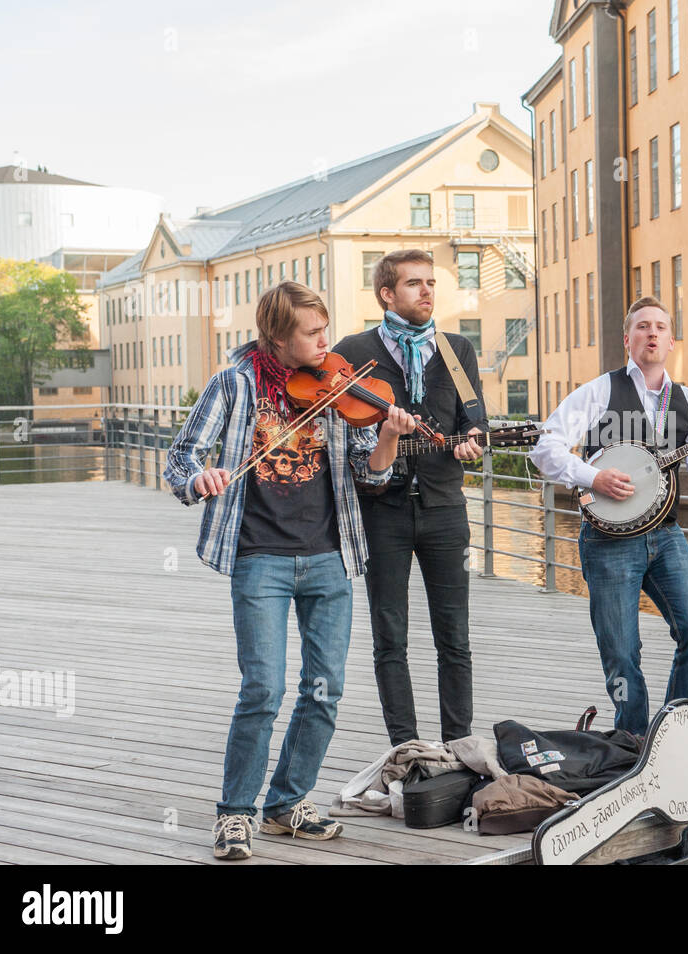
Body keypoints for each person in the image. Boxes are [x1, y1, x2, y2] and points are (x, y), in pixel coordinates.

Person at [164, 281, 413, 861]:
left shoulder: (340, 388)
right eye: (311, 332)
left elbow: (369, 474)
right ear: (277, 337)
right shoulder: (234, 385)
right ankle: (235, 814)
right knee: (264, 689)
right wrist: (196, 479)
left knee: (325, 691)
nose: (326, 341)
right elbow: (182, 454)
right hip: (259, 560)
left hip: (330, 557)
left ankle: (287, 803)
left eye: (325, 328)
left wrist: (390, 439)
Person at [529, 296, 688, 735]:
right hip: (608, 542)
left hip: (666, 535)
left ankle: (678, 738)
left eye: (660, 327)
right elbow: (545, 447)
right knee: (620, 651)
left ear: (671, 341)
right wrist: (592, 477)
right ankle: (632, 744)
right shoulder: (599, 391)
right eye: (642, 326)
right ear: (627, 339)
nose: (651, 333)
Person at [332, 249, 485, 747]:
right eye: (414, 283)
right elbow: (332, 424)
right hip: (382, 512)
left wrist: (472, 441)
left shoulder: (457, 348)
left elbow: (473, 421)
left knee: (455, 640)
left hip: (445, 510)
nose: (426, 291)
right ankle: (407, 748)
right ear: (386, 294)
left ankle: (458, 746)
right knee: (389, 639)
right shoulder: (353, 351)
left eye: (431, 282)